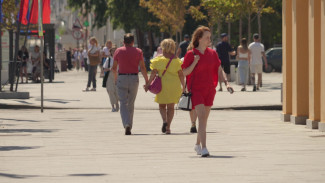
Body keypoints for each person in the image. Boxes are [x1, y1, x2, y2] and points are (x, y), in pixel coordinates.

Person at [182, 26, 233, 157]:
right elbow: (184, 72)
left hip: (210, 90)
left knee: (204, 120)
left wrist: (226, 83)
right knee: (201, 117)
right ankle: (204, 148)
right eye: (206, 37)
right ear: (199, 39)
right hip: (196, 90)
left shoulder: (212, 53)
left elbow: (219, 69)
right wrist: (194, 63)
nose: (209, 40)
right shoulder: (191, 54)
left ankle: (197, 145)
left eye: (210, 37)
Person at [145, 39, 185, 134]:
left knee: (162, 106)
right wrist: (184, 86)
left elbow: (153, 74)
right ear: (173, 47)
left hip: (162, 86)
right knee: (171, 107)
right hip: (174, 86)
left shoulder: (158, 60)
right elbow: (181, 75)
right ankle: (168, 128)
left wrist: (148, 84)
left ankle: (164, 121)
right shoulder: (177, 61)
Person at [112, 33, 149, 135]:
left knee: (123, 102)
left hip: (122, 77)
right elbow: (142, 67)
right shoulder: (138, 51)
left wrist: (115, 79)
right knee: (131, 103)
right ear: (133, 42)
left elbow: (114, 68)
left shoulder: (118, 51)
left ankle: (126, 123)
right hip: (133, 78)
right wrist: (147, 80)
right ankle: (130, 124)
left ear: (123, 42)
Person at [103, 47, 119, 112]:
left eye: (115, 51)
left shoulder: (120, 59)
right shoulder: (108, 59)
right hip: (110, 76)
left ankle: (117, 103)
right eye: (112, 51)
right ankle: (113, 106)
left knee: (117, 92)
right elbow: (104, 68)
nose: (113, 52)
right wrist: (110, 69)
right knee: (111, 91)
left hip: (118, 76)